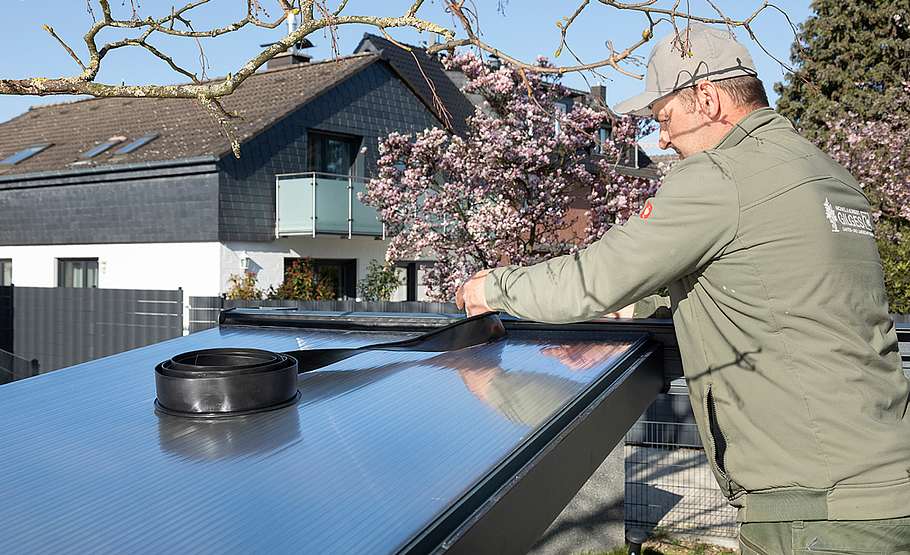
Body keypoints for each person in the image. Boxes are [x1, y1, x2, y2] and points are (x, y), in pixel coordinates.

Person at [456, 22, 910, 554]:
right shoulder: (825, 173)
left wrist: (493, 287)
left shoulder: (722, 175)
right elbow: (766, 284)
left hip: (815, 508)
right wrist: (631, 314)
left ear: (708, 99)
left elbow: (590, 280)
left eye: (665, 117)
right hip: (883, 478)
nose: (662, 138)